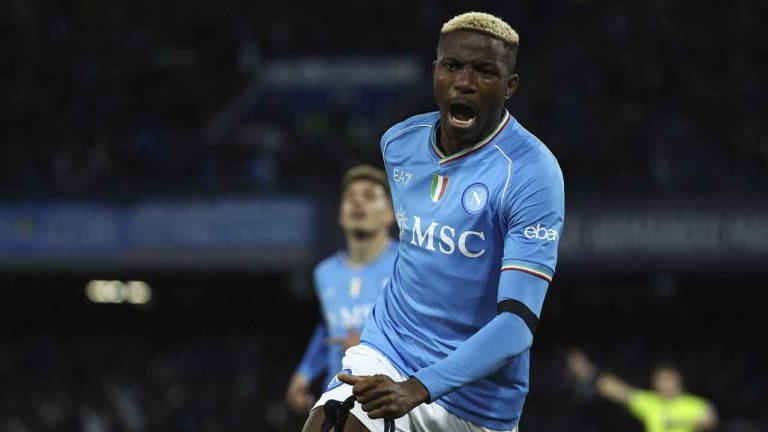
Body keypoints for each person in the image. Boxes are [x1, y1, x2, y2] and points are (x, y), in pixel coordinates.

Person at [304, 11, 564, 432]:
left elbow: (517, 326)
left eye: (484, 71)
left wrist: (418, 387)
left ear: (509, 87)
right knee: (330, 423)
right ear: (435, 73)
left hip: (477, 399)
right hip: (389, 350)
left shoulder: (533, 174)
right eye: (453, 66)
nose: (465, 81)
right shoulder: (398, 143)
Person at [286, 165, 397, 414]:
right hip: (338, 399)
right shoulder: (325, 273)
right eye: (350, 197)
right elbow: (328, 327)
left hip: (390, 401)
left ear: (390, 213)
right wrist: (303, 374)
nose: (357, 202)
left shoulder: (406, 265)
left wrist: (369, 348)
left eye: (369, 196)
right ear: (340, 214)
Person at [566, 349, 718, 432]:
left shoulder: (697, 405)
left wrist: (688, 421)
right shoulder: (649, 401)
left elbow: (710, 422)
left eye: (667, 379)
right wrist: (587, 371)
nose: (663, 384)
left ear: (677, 379)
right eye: (659, 380)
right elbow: (619, 391)